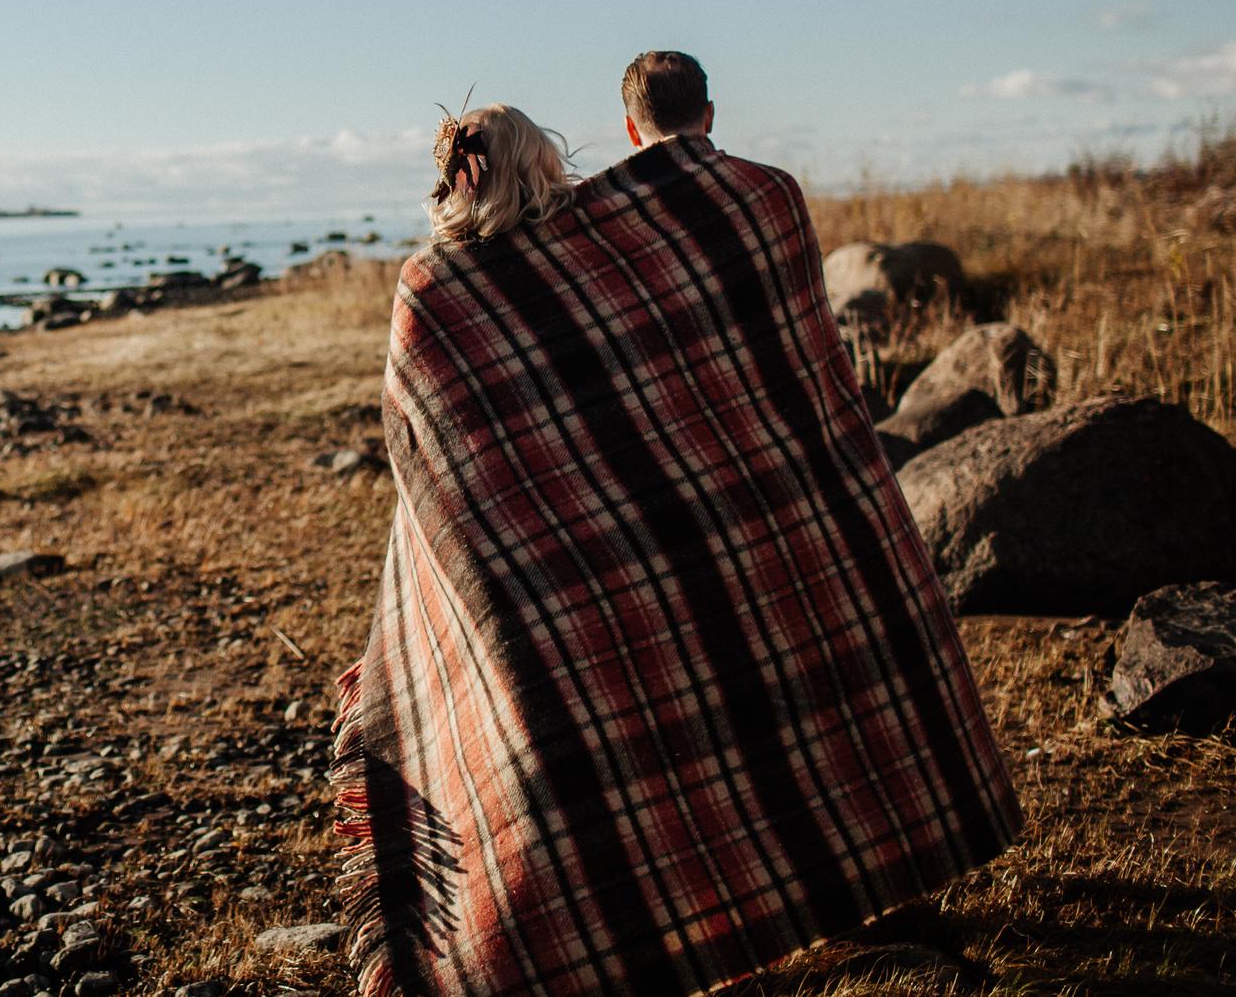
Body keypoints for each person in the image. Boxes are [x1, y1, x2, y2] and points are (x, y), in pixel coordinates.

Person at [332, 56, 1020, 997]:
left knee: (623, 770)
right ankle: (874, 885)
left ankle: (652, 939)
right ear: (547, 165)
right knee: (798, 706)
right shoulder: (628, 232)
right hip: (719, 532)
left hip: (547, 582)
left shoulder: (430, 285)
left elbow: (425, 463)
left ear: (452, 172)